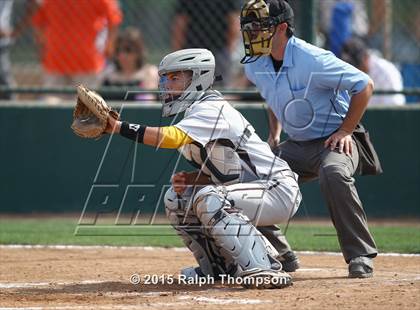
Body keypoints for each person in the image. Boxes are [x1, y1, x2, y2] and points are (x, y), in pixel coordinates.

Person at [105, 48, 302, 288]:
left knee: (211, 199)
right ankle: (219, 267)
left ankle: (265, 267)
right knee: (177, 198)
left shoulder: (211, 108)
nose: (166, 84)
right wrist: (196, 179)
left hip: (277, 190)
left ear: (197, 78)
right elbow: (230, 173)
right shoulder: (195, 111)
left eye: (175, 78)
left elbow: (170, 138)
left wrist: (118, 127)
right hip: (255, 189)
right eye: (165, 78)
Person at [240, 0, 378, 278]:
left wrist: (346, 131)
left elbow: (364, 85)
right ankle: (280, 253)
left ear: (281, 28)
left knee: (334, 172)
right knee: (246, 177)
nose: (252, 33)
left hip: (335, 140)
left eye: (258, 27)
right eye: (248, 27)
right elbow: (272, 96)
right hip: (297, 144)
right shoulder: (255, 65)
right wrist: (274, 134)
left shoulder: (311, 58)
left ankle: (360, 255)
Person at [31, 0, 122, 102]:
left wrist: (42, 49)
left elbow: (38, 23)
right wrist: (109, 47)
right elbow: (114, 19)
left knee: (53, 105)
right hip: (85, 61)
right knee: (84, 109)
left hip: (58, 60)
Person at [172, 0, 241, 87]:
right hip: (218, 50)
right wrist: (230, 50)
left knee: (192, 87)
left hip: (194, 51)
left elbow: (180, 24)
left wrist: (178, 53)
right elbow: (234, 23)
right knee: (219, 86)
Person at [341, 38, 405, 106]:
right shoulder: (344, 73)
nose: (355, 69)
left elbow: (394, 106)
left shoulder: (386, 71)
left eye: (357, 65)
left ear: (365, 57)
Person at [99, 27, 158, 101]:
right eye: (118, 51)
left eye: (128, 50)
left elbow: (149, 101)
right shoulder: (108, 75)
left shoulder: (149, 72)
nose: (122, 55)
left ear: (138, 51)